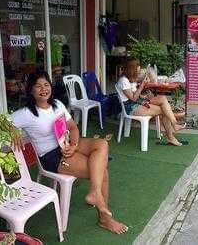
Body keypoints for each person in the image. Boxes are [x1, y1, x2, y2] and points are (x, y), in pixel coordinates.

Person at [10, 71, 128, 234]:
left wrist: (74, 144)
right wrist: (13, 131)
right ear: (31, 90)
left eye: (46, 84)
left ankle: (95, 192)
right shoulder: (26, 113)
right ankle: (104, 218)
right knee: (104, 173)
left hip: (67, 144)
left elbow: (72, 127)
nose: (43, 89)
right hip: (51, 156)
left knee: (101, 144)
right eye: (38, 86)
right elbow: (1, 122)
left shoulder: (57, 104)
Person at [117, 57, 187, 146]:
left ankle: (174, 124)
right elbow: (133, 98)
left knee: (162, 98)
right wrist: (142, 85)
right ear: (131, 68)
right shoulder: (123, 81)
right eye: (137, 65)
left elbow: (134, 93)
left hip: (138, 101)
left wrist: (144, 95)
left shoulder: (129, 78)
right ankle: (171, 135)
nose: (139, 67)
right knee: (163, 110)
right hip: (131, 107)